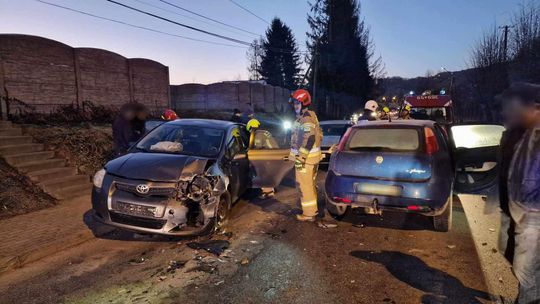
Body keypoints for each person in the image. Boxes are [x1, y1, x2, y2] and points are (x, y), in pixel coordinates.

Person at [499, 83, 540, 304]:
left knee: (528, 272)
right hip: (516, 213)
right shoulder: (515, 134)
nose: (508, 112)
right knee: (522, 267)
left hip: (533, 216)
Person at [289, 89, 323, 222]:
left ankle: (309, 214)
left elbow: (310, 138)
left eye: (297, 103)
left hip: (306, 160)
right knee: (309, 184)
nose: (295, 106)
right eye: (294, 103)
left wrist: (301, 158)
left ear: (304, 103)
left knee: (305, 185)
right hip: (311, 158)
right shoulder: (308, 116)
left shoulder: (306, 118)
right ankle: (312, 210)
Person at [246, 118, 277, 198]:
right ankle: (270, 190)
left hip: (269, 156)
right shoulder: (264, 132)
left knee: (262, 173)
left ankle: (268, 192)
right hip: (275, 155)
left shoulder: (258, 135)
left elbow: (257, 148)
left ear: (251, 128)